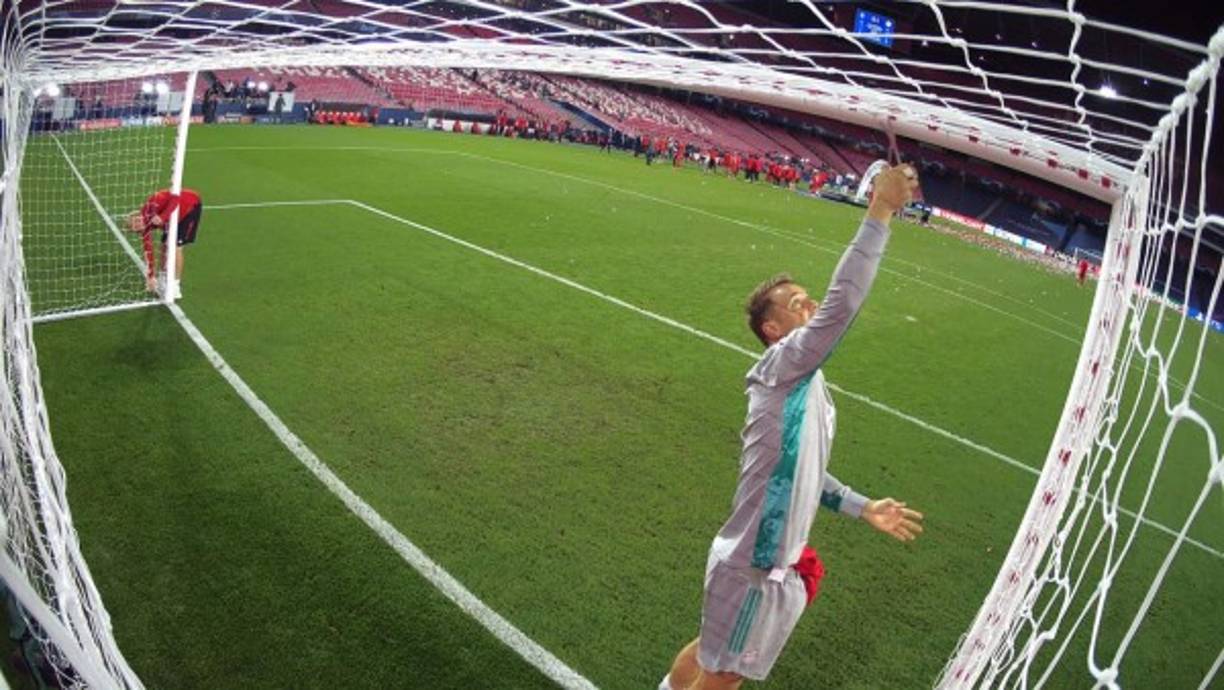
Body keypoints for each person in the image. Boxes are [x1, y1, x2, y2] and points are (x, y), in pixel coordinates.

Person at [661, 164, 925, 690]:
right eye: (794, 301)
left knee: (713, 654)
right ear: (772, 328)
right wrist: (880, 210)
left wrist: (862, 506)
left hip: (752, 561)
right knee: (724, 676)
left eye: (807, 294)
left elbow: (801, 474)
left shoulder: (805, 385)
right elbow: (843, 304)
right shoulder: (784, 364)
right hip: (755, 569)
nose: (809, 302)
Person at [126, 187, 203, 299]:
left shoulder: (152, 204)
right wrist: (151, 276)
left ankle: (175, 286)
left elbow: (175, 199)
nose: (139, 225)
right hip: (172, 217)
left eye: (137, 222)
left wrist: (162, 217)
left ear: (137, 215)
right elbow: (149, 252)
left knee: (176, 247)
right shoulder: (146, 228)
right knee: (164, 246)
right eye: (137, 228)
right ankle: (162, 279)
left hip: (189, 206)